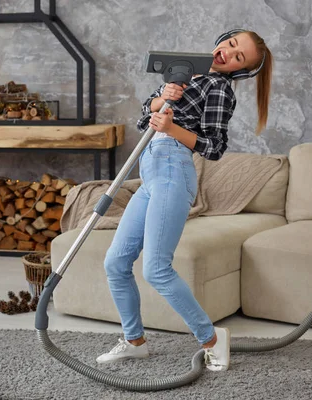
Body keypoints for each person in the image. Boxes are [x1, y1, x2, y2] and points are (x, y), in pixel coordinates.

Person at [97, 29, 274, 371]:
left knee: (156, 269)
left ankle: (211, 339)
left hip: (174, 171)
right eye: (232, 44)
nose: (229, 54)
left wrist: (171, 127)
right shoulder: (182, 74)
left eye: (239, 58)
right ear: (223, 38)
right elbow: (142, 118)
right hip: (150, 174)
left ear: (240, 71)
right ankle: (134, 341)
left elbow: (215, 146)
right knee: (116, 262)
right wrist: (164, 98)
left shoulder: (219, 89)